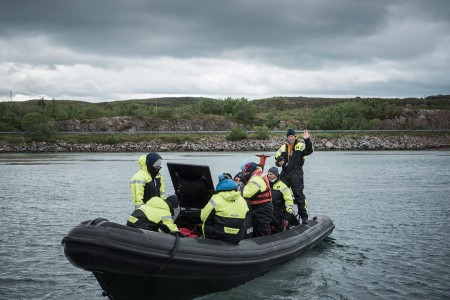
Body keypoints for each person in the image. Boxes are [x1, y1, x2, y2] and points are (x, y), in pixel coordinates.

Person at [275, 129, 313, 224]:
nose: (290, 138)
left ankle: (304, 216)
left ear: (295, 136)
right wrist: (279, 162)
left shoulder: (300, 146)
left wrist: (307, 139)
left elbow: (309, 151)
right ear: (287, 137)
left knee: (299, 195)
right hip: (285, 174)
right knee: (280, 195)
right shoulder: (283, 148)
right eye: (289, 136)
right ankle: (282, 216)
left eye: (292, 136)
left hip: (296, 174)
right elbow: (277, 161)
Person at [200, 177, 250, 244]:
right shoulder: (242, 200)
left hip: (217, 237)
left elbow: (203, 217)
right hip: (236, 238)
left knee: (205, 223)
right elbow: (245, 217)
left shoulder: (215, 198)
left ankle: (205, 240)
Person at [241, 161, 273, 237]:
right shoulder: (257, 174)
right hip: (259, 207)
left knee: (262, 230)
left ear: (249, 172)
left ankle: (265, 245)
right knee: (257, 229)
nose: (244, 175)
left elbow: (245, 193)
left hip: (262, 208)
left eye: (245, 173)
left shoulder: (256, 180)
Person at [267, 166, 295, 233]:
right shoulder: (266, 184)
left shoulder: (283, 186)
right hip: (267, 213)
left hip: (278, 214)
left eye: (271, 174)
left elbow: (289, 202)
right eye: (268, 174)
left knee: (278, 230)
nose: (268, 176)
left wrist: (287, 216)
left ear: (276, 175)